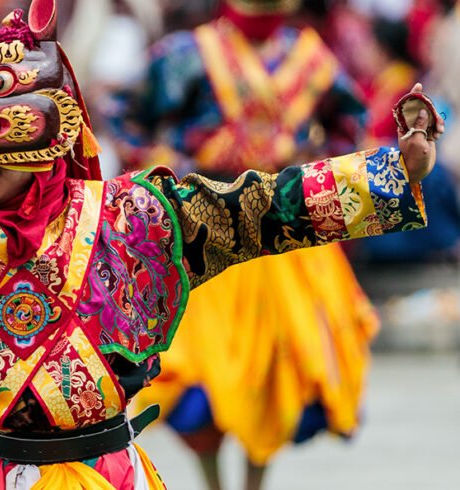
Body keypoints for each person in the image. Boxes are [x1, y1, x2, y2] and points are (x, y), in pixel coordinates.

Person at [0, 1, 440, 488]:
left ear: (54, 127)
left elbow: (264, 209)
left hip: (107, 476)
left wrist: (389, 173)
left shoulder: (139, 218)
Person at [111, 1, 398, 488]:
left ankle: (252, 483)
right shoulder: (188, 53)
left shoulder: (309, 58)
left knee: (277, 373)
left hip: (283, 234)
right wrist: (162, 165)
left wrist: (313, 165)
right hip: (204, 228)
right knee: (196, 378)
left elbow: (351, 124)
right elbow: (123, 111)